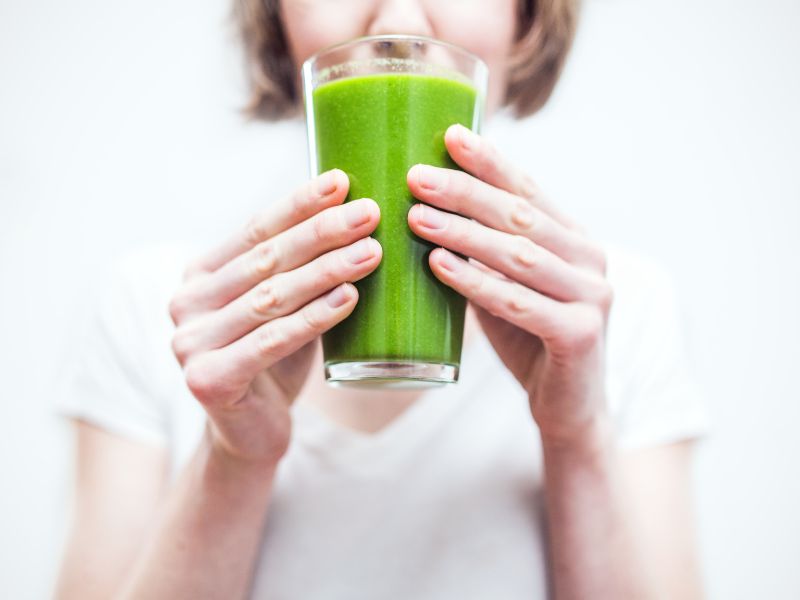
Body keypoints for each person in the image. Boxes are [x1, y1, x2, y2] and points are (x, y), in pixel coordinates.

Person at [55, 1, 708, 598]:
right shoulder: (158, 310)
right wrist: (235, 455)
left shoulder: (621, 311)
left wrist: (576, 436)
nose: (401, 24)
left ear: (528, 19)